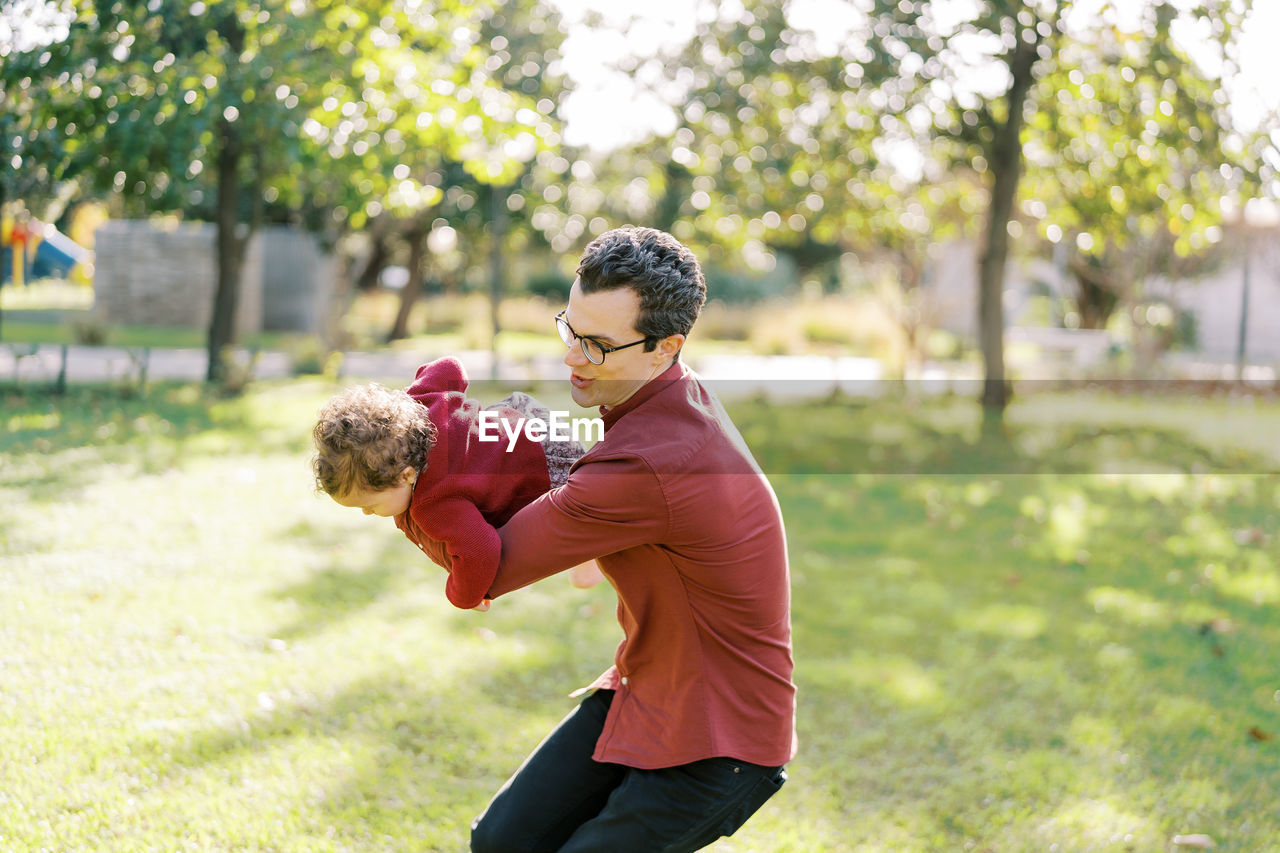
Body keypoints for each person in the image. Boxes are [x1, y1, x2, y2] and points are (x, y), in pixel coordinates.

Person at [423, 226, 797, 852]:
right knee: (502, 843)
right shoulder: (665, 398)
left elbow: (489, 567)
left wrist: (403, 484)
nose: (572, 357)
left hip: (719, 737)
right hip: (645, 683)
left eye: (596, 345)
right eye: (570, 328)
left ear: (664, 347)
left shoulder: (650, 462)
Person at [312, 356, 600, 610]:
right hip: (524, 413)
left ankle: (589, 559)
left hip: (548, 468)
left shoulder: (433, 503)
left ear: (407, 475)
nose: (367, 513)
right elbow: (448, 366)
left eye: (370, 505)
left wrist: (464, 596)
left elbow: (481, 550)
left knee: (567, 518)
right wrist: (399, 411)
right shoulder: (421, 403)